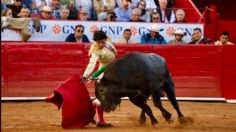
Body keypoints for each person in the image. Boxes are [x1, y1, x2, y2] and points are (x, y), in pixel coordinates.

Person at [81, 30, 117, 127]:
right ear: (95, 41)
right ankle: (97, 119)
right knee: (101, 96)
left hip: (114, 68)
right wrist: (85, 75)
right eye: (98, 42)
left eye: (102, 42)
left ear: (105, 39)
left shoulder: (107, 38)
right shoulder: (95, 50)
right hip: (103, 71)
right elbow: (91, 64)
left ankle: (90, 115)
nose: (101, 44)